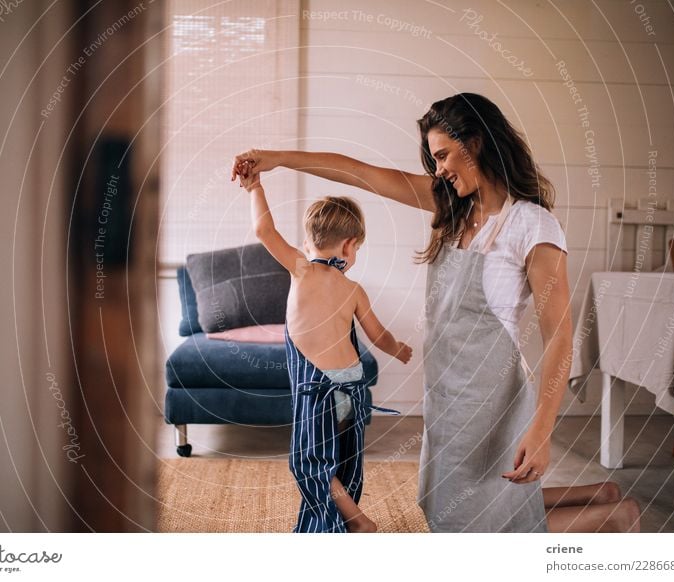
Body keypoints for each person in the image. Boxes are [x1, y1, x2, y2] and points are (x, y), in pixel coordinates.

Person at [233, 92, 641, 533]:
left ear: (477, 144)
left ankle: (617, 518)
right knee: (448, 507)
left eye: (444, 155)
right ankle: (600, 496)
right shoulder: (450, 205)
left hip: (491, 398)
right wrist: (274, 159)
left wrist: (542, 431)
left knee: (467, 529)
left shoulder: (532, 225)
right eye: (434, 159)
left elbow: (560, 335)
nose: (440, 169)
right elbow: (358, 172)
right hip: (447, 391)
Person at [236, 162, 413, 533]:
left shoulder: (301, 269)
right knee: (343, 460)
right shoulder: (354, 290)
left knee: (310, 462)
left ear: (307, 243)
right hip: (353, 387)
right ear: (350, 246)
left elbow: (263, 229)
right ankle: (345, 523)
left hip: (318, 388)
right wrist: (398, 350)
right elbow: (379, 336)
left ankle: (358, 522)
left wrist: (254, 187)